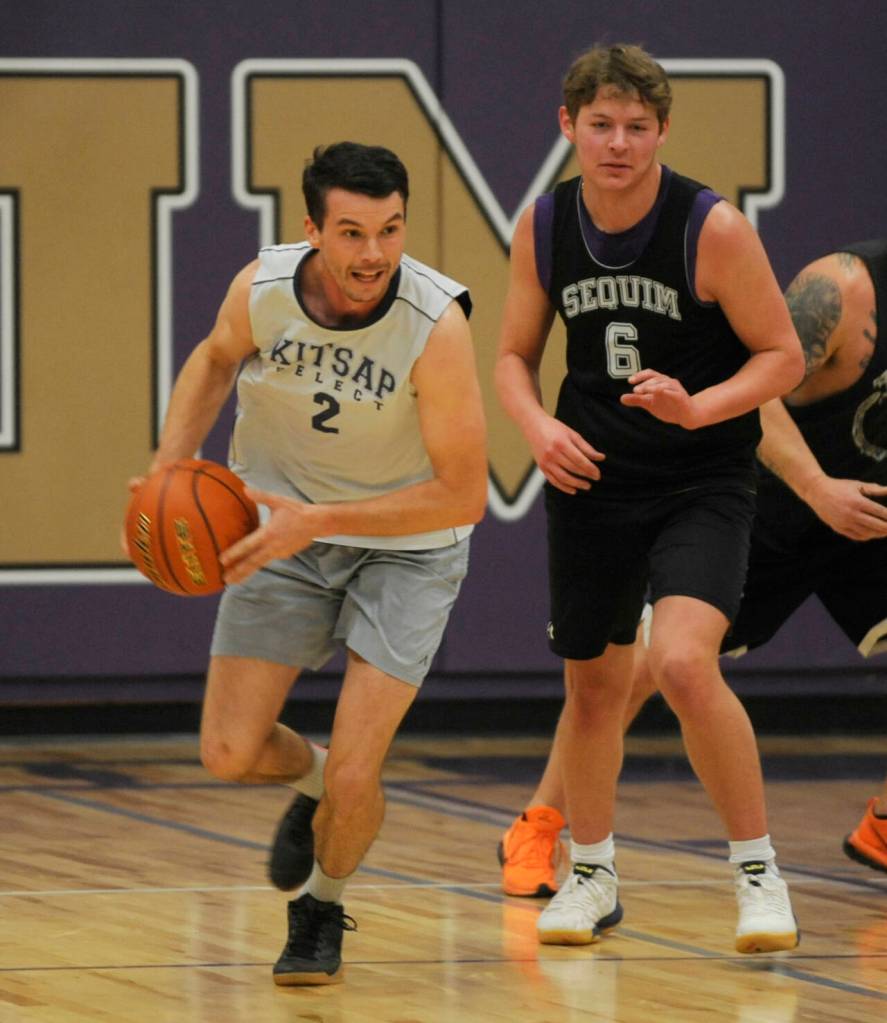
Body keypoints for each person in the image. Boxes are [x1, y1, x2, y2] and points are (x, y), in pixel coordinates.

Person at [128, 142, 487, 985]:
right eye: (353, 232)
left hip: (408, 549)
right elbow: (215, 358)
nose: (373, 254)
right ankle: (324, 784)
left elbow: (463, 494)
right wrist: (165, 473)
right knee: (226, 750)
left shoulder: (435, 324)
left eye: (390, 230)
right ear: (312, 230)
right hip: (280, 528)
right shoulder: (263, 290)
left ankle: (321, 907)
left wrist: (317, 520)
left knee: (366, 768)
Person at [494, 43, 805, 953]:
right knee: (591, 689)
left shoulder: (709, 227)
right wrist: (535, 428)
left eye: (636, 127)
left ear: (662, 130)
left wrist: (696, 406)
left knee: (678, 661)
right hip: (592, 475)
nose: (617, 143)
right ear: (568, 127)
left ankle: (757, 873)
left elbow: (781, 355)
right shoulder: (544, 224)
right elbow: (513, 355)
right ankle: (590, 874)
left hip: (699, 479)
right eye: (600, 126)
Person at [499, 240, 887, 892]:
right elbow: (753, 392)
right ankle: (536, 824)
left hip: (868, 514)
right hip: (781, 497)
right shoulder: (841, 291)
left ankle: (882, 822)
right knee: (644, 669)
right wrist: (817, 487)